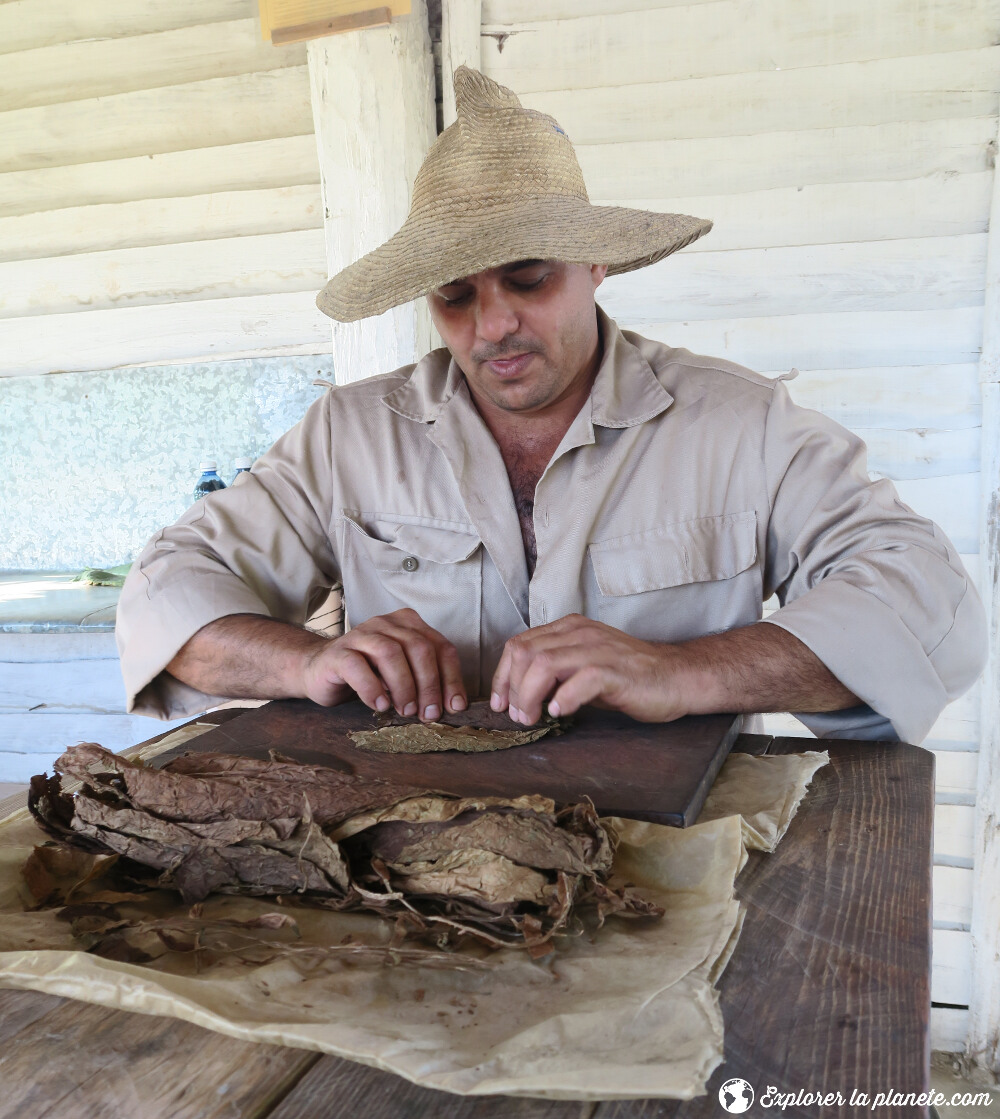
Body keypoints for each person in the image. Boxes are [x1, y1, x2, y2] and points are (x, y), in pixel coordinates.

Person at [117, 67, 987, 745]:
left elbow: (929, 605)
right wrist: (308, 660)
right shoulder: (349, 437)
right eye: (455, 297)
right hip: (407, 874)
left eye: (528, 279)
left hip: (672, 868)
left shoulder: (740, 425)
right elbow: (161, 597)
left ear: (595, 263)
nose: (494, 325)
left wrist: (680, 672)